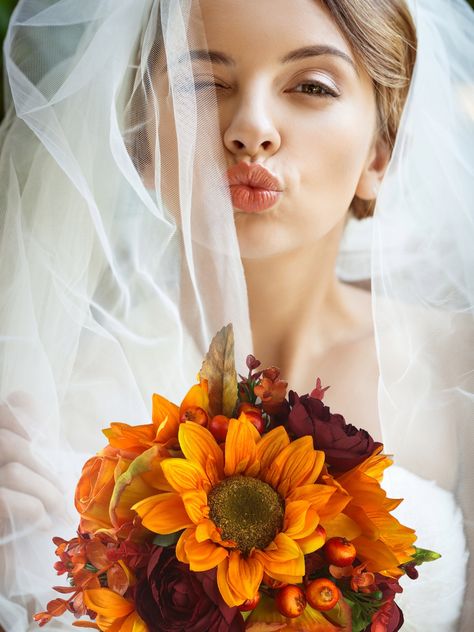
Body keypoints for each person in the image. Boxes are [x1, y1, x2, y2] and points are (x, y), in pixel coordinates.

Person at [0, 0, 472, 630]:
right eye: (205, 84)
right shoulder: (44, 390)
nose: (251, 127)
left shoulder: (459, 367)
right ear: (139, 136)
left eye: (310, 86)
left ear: (380, 153)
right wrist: (26, 572)